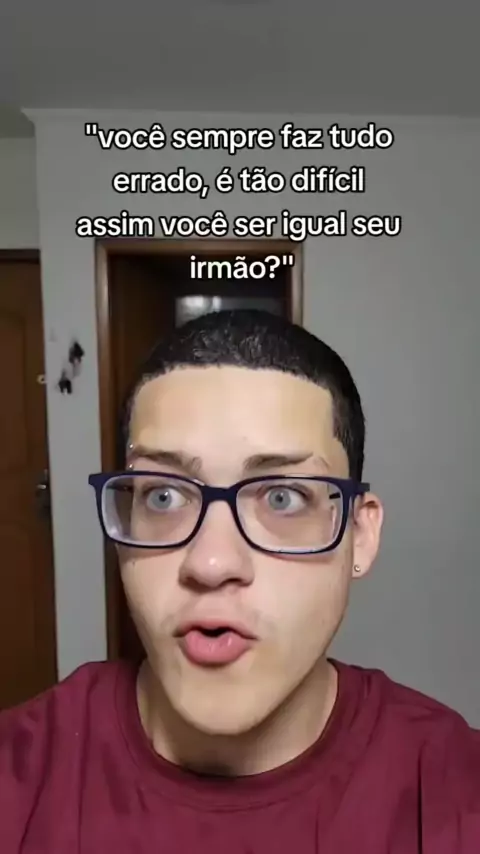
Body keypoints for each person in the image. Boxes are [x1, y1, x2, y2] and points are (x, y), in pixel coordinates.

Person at [1, 309, 479, 853]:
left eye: (283, 497)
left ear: (360, 536)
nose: (210, 564)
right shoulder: (22, 778)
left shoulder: (453, 794)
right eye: (163, 496)